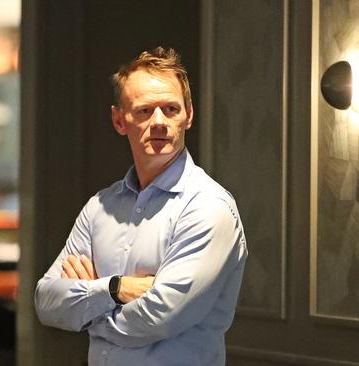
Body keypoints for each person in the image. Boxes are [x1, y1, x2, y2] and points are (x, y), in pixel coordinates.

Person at [35, 47, 248, 365]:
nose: (160, 122)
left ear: (189, 115)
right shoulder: (100, 206)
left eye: (171, 109)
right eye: (145, 111)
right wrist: (114, 289)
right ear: (119, 120)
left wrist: (89, 312)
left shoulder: (208, 207)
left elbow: (160, 317)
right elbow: (47, 302)